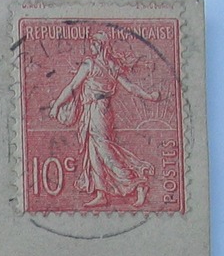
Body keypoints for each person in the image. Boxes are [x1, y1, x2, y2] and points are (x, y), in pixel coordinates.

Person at [48, 30, 163, 207]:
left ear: (101, 46)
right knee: (93, 151)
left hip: (98, 112)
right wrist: (149, 96)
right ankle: (101, 193)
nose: (91, 47)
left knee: (104, 150)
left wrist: (56, 105)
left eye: (94, 44)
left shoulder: (92, 64)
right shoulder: (111, 65)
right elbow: (130, 87)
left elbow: (72, 86)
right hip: (96, 110)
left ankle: (137, 184)